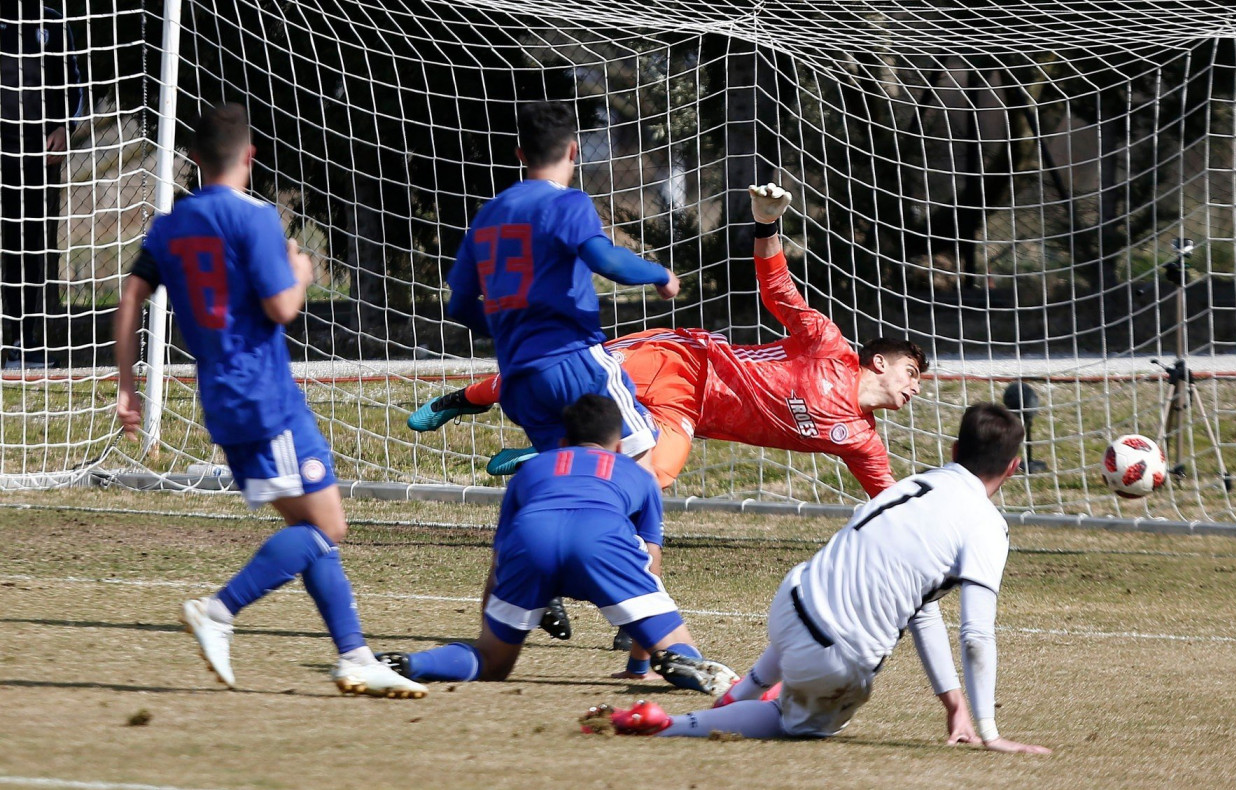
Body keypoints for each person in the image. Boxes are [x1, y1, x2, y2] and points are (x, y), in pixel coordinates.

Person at [113, 103, 426, 699]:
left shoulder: (170, 224)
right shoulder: (254, 218)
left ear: (194, 159)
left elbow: (131, 298)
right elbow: (282, 307)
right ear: (250, 157)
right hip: (265, 398)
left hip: (221, 400)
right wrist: (301, 270)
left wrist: (127, 386)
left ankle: (354, 656)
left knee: (311, 531)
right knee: (328, 527)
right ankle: (219, 610)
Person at [580, 403, 1052, 755]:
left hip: (792, 599)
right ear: (1012, 467)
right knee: (794, 722)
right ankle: (673, 724)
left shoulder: (913, 485)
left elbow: (921, 608)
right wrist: (989, 732)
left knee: (812, 632)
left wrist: (954, 704)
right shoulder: (986, 524)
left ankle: (743, 692)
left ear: (954, 450)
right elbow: (975, 636)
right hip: (833, 654)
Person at [415, 184, 924, 497]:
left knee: (655, 476)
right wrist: (767, 223)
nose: (916, 387)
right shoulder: (828, 346)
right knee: (560, 372)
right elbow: (778, 290)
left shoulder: (862, 441)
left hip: (685, 411)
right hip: (682, 361)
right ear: (879, 361)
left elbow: (893, 499)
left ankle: (555, 459)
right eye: (912, 372)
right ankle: (460, 399)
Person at [377, 395, 738, 695]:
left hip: (533, 538)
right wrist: (639, 665)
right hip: (601, 541)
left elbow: (499, 557)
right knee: (679, 646)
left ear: (562, 442)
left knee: (490, 661)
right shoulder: (640, 476)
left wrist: (490, 629)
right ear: (618, 447)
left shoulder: (532, 471)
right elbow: (651, 562)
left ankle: (412, 663)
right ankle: (681, 659)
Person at [443, 100, 680, 473]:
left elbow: (459, 305)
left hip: (518, 379)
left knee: (572, 475)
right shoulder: (568, 202)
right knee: (637, 466)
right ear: (573, 150)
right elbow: (605, 260)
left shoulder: (488, 214)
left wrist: (512, 329)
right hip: (572, 362)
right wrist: (660, 275)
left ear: (521, 154)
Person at [1, 3, 85, 369]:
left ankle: (24, 341)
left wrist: (65, 126)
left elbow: (74, 81)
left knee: (29, 244)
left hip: (38, 151)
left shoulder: (51, 20)